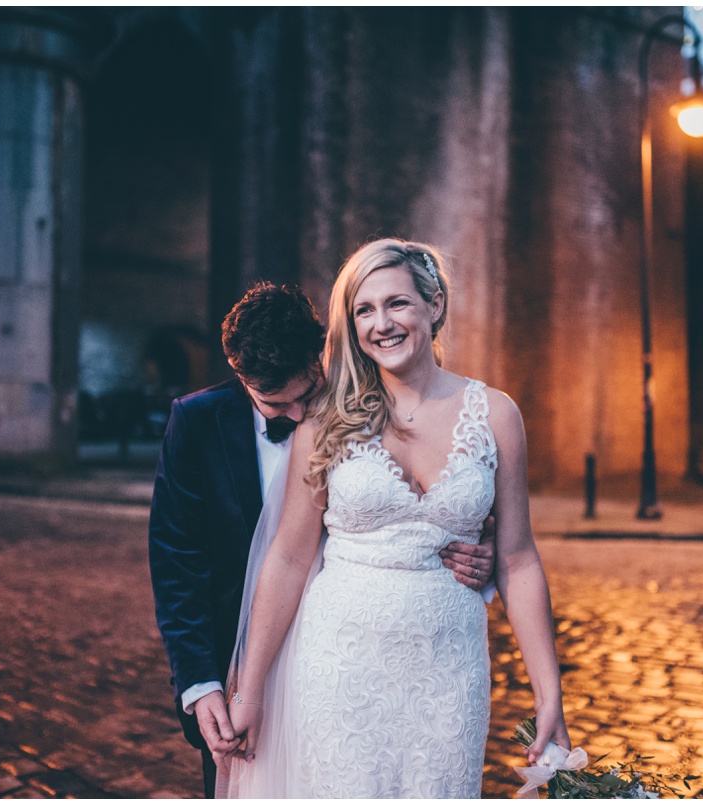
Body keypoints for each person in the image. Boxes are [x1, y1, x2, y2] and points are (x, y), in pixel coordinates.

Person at [224, 239, 573, 798]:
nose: (381, 323)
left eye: (397, 304)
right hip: (339, 665)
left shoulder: (498, 415)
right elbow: (288, 557)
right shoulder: (325, 419)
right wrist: (251, 692)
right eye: (364, 310)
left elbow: (517, 558)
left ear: (434, 306)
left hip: (450, 670)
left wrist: (549, 693)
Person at [147, 281, 495, 798]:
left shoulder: (379, 405)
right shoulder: (196, 423)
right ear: (241, 376)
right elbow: (178, 563)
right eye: (274, 403)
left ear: (323, 354)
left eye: (307, 395)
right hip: (242, 673)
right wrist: (203, 686)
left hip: (353, 668)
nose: (298, 416)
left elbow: (443, 497)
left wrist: (478, 554)